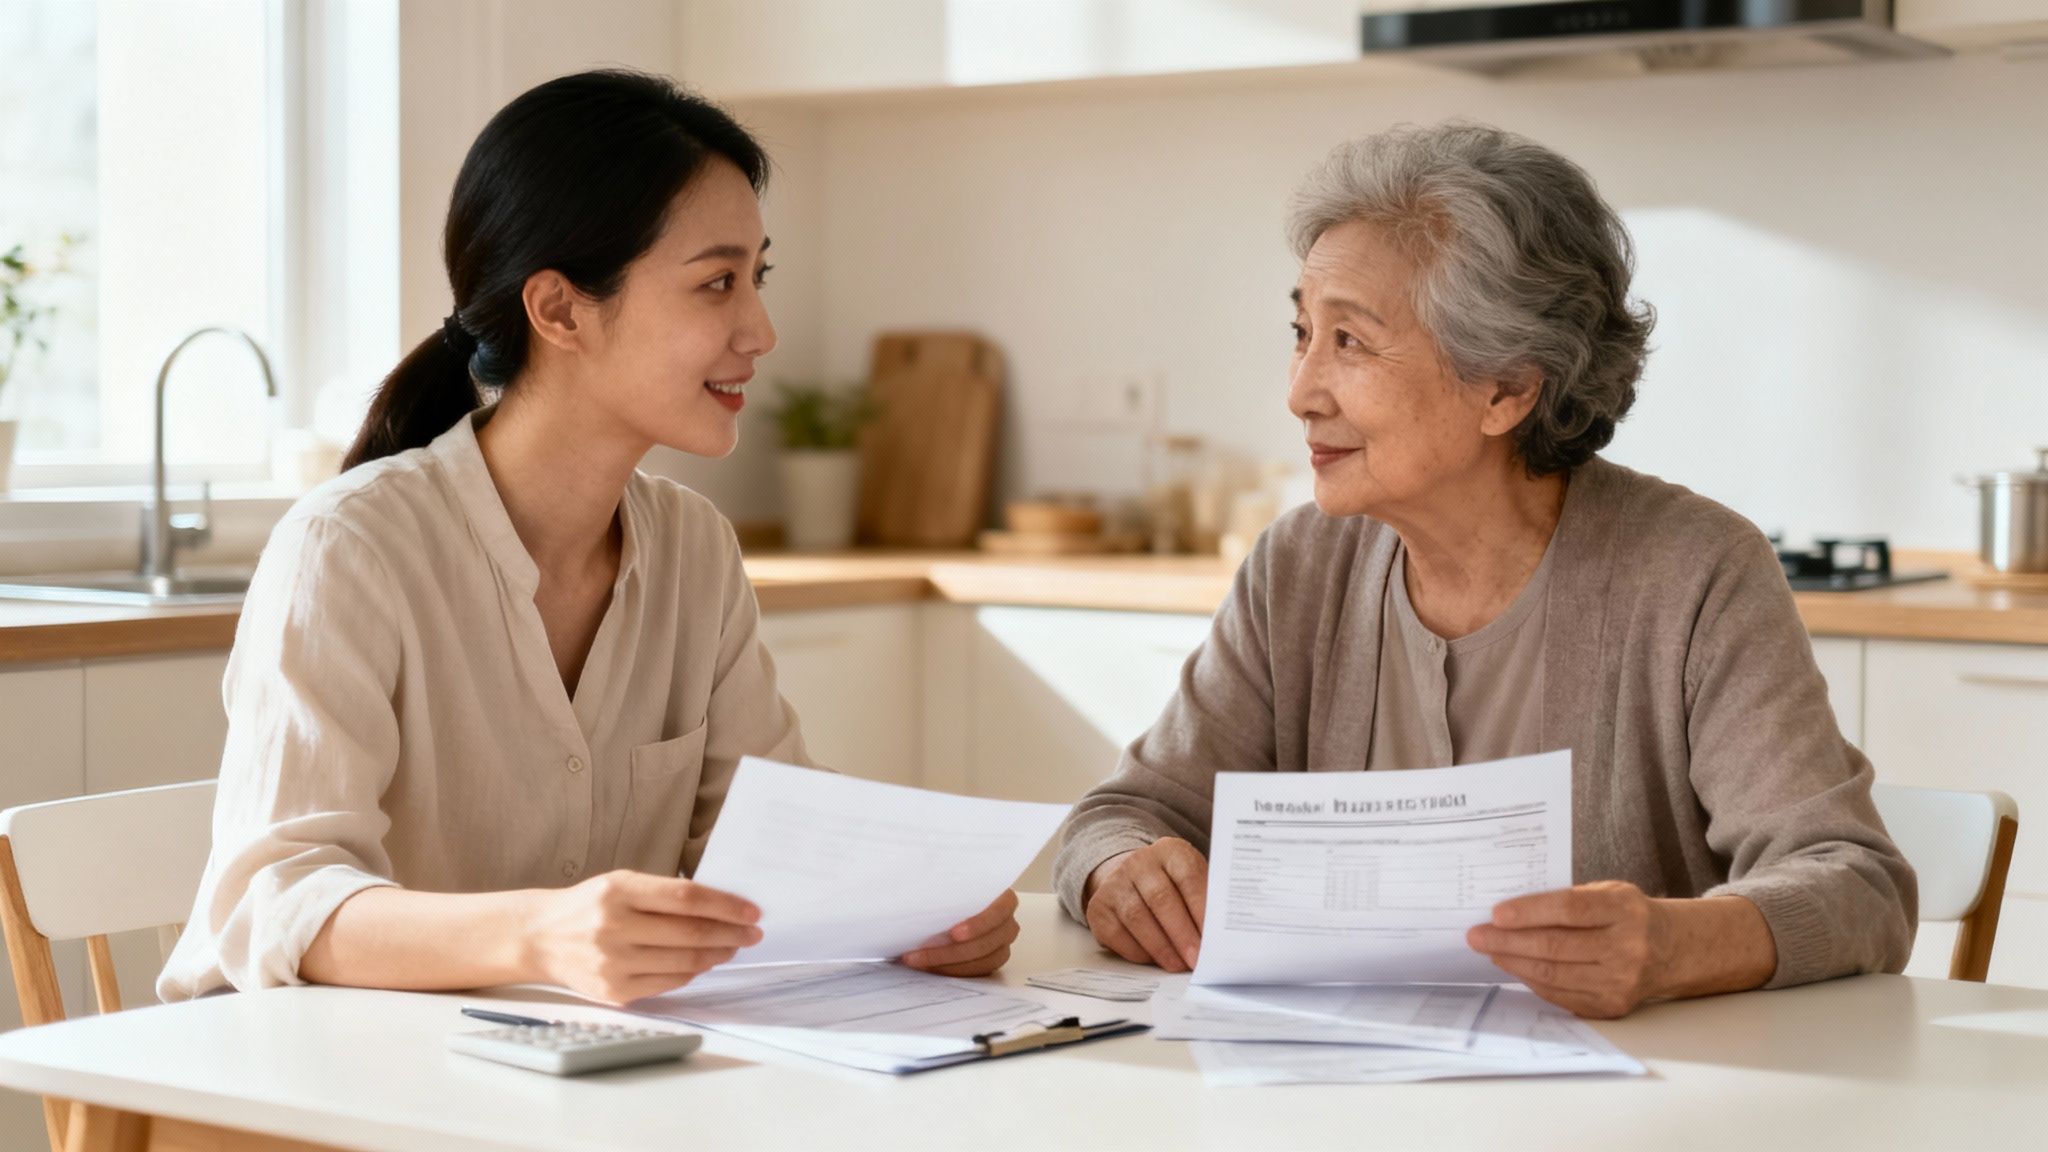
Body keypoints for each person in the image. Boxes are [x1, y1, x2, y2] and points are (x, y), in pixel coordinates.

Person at [160, 70, 1017, 1005]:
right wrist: (541, 933)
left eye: (757, 277)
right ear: (560, 309)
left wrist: (919, 913)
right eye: (717, 283)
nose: (761, 329)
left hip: (587, 1091)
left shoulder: (695, 550)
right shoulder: (350, 550)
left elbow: (770, 848)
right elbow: (277, 899)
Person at [1054, 122, 1914, 1019]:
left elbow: (1859, 887)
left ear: (1507, 387)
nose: (1300, 389)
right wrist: (1122, 871)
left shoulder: (1693, 573)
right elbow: (1121, 815)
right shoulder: (1299, 567)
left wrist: (1671, 946)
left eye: (1350, 342)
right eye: (1302, 332)